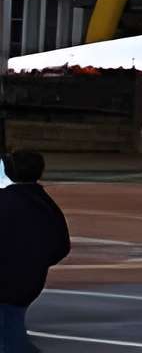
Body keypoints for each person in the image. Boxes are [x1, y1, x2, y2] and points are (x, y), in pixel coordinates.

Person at [0, 148, 71, 351]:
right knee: (11, 326)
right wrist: (34, 260)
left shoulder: (5, 201)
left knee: (10, 338)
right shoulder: (47, 205)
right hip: (30, 281)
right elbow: (61, 246)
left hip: (5, 282)